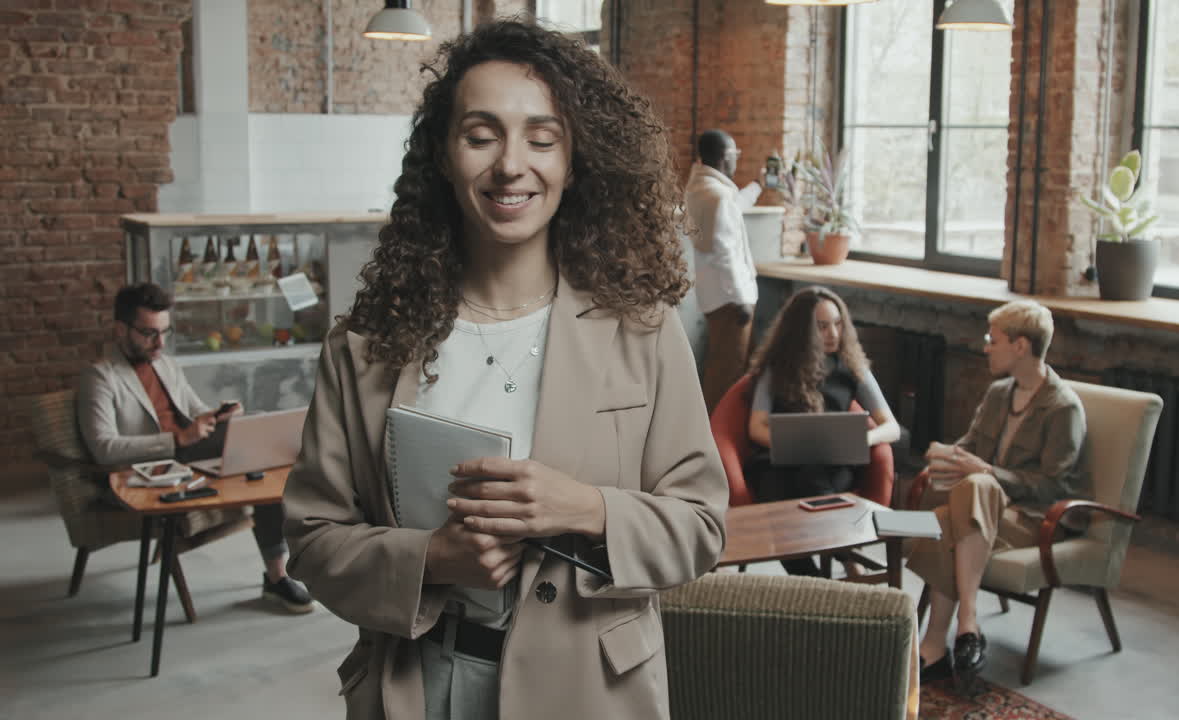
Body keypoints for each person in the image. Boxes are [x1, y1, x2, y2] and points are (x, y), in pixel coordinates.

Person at [282, 21, 727, 720]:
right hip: (423, 682)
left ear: (574, 160)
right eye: (482, 134)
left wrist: (587, 508)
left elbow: (701, 525)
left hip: (592, 689)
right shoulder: (366, 347)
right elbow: (311, 539)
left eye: (542, 139)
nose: (511, 165)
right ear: (443, 154)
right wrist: (430, 559)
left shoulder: (642, 330)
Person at [77, 282, 314, 613]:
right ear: (121, 329)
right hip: (149, 469)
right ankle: (278, 576)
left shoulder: (165, 364)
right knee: (260, 459)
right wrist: (177, 440)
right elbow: (103, 448)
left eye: (165, 332)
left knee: (264, 452)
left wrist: (220, 415)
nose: (160, 343)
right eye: (149, 333)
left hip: (191, 456)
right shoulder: (100, 377)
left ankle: (277, 575)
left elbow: (196, 411)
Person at [908, 300, 1085, 692]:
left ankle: (957, 625)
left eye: (994, 340)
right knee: (951, 512)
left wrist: (987, 473)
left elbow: (1052, 486)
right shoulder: (998, 394)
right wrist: (944, 454)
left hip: (1033, 519)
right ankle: (945, 643)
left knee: (972, 491)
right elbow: (969, 446)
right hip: (983, 515)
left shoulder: (1062, 408)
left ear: (1021, 346)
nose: (986, 347)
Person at [743, 286, 901, 576]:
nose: (833, 334)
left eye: (838, 325)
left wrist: (863, 439)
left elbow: (892, 428)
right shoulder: (776, 368)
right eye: (822, 326)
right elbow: (756, 427)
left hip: (834, 465)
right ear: (801, 331)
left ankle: (825, 577)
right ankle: (831, 569)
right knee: (776, 495)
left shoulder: (853, 367)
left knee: (805, 479)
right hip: (779, 463)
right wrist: (794, 446)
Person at [684, 129, 763, 414]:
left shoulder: (700, 189)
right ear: (723, 156)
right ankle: (715, 437)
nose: (736, 160)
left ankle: (723, 432)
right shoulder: (718, 197)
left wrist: (757, 187)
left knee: (727, 367)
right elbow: (725, 253)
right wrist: (740, 298)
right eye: (735, 154)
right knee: (727, 376)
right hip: (732, 300)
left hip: (712, 296)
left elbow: (732, 211)